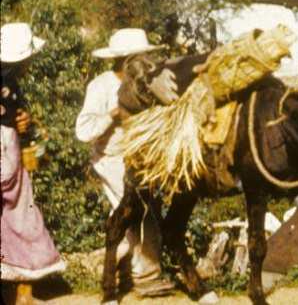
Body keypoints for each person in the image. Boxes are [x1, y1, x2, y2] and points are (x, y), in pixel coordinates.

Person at [75, 28, 174, 298]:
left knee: (135, 213)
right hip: (112, 157)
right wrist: (113, 115)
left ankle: (118, 268)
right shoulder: (101, 85)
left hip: (141, 156)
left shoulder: (144, 82)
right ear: (124, 60)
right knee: (139, 211)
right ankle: (145, 275)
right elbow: (83, 131)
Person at [1, 23, 66, 305]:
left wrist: (21, 120)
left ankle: (23, 289)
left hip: (10, 153)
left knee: (21, 214)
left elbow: (16, 113)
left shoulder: (10, 82)